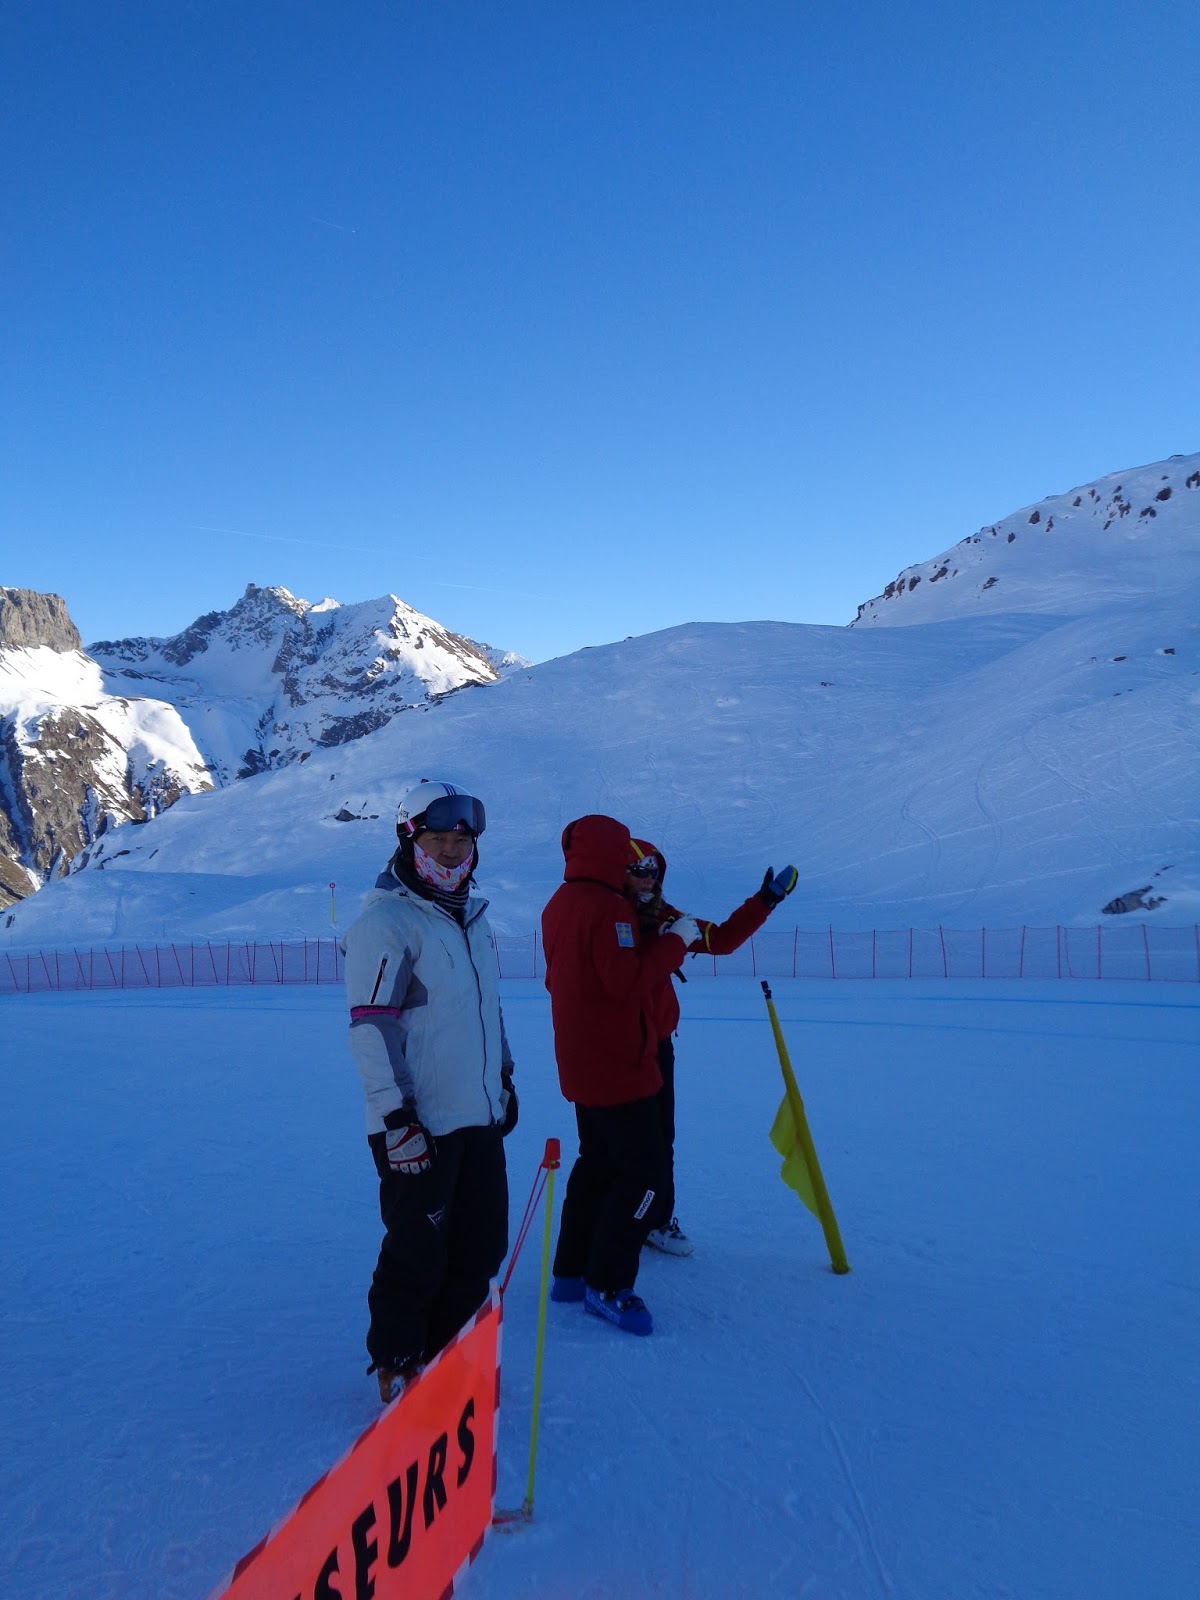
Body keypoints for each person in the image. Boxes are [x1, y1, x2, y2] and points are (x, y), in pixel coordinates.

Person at [343, 779, 517, 1403]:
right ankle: (397, 1359)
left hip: (477, 1114)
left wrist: (504, 1075)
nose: (450, 852)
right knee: (418, 1249)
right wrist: (397, 1118)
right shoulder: (386, 923)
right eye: (437, 839)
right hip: (418, 1122)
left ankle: (446, 1355)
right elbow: (372, 1028)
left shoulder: (472, 918)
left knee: (482, 1244)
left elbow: (485, 1010)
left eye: (460, 840)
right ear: (409, 841)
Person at [541, 813, 700, 1336]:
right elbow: (625, 983)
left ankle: (569, 1272)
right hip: (621, 1069)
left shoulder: (557, 905)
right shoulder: (611, 910)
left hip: (582, 1066)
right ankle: (608, 1284)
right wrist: (674, 942)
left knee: (597, 1164)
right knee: (645, 1178)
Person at [626, 838, 798, 1257]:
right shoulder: (607, 917)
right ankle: (618, 1223)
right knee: (622, 1143)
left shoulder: (667, 916)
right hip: (618, 1044)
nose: (648, 877)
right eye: (638, 869)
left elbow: (719, 940)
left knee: (661, 1137)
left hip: (658, 1043)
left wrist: (764, 901)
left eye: (653, 869)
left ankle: (656, 1220)